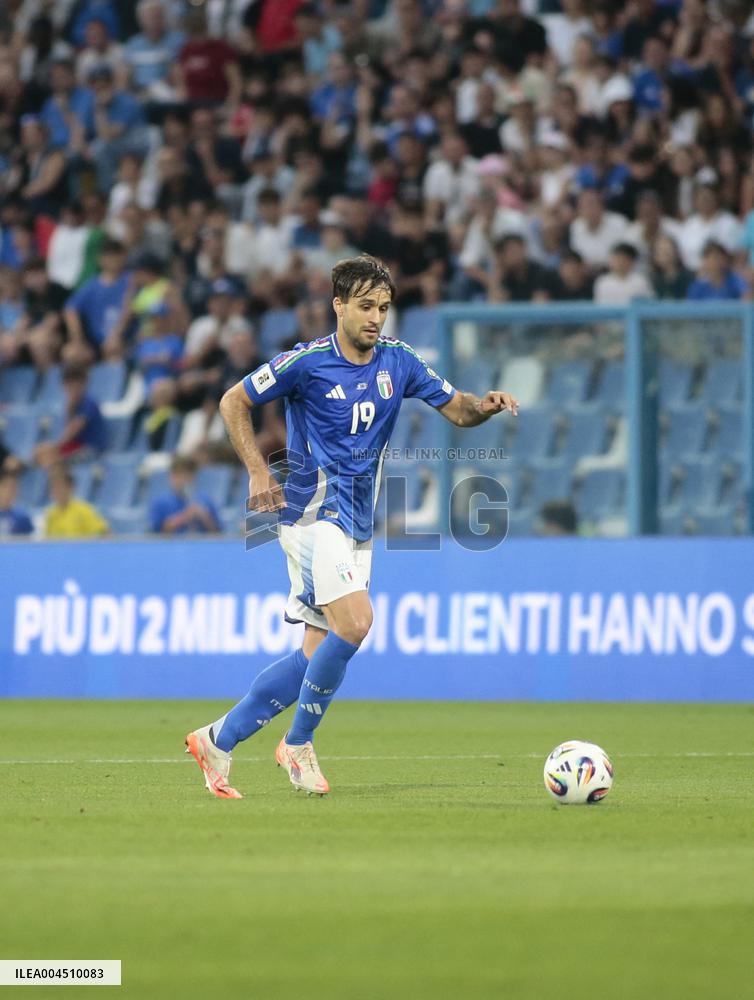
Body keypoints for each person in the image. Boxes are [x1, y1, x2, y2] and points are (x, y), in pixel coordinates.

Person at [184, 255, 519, 799]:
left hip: (358, 518)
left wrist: (486, 405)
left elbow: (458, 410)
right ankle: (297, 745)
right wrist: (255, 471)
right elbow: (233, 400)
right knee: (357, 622)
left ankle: (218, 739)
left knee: (319, 651)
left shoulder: (400, 361)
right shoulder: (307, 362)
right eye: (365, 306)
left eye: (383, 308)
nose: (375, 318)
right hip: (314, 511)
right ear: (338, 304)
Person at [33, 365, 106, 467]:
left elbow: (72, 432)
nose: (73, 388)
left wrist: (52, 447)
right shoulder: (71, 404)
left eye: (76, 384)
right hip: (75, 446)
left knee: (55, 463)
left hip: (92, 449)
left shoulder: (89, 403)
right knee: (37, 456)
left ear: (84, 383)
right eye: (69, 384)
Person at [149, 455, 220, 535]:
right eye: (176, 475)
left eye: (184, 475)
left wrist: (204, 517)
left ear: (193, 477)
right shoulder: (160, 502)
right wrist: (184, 517)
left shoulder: (205, 500)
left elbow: (218, 533)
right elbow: (155, 534)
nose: (179, 480)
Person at [44, 467, 109, 538]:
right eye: (53, 488)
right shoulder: (51, 513)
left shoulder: (85, 510)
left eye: (60, 487)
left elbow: (104, 533)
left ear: (71, 488)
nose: (56, 491)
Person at [0, 470, 34, 537]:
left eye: (13, 487)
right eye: (5, 486)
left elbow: (30, 543)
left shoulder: (23, 518)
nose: (9, 491)